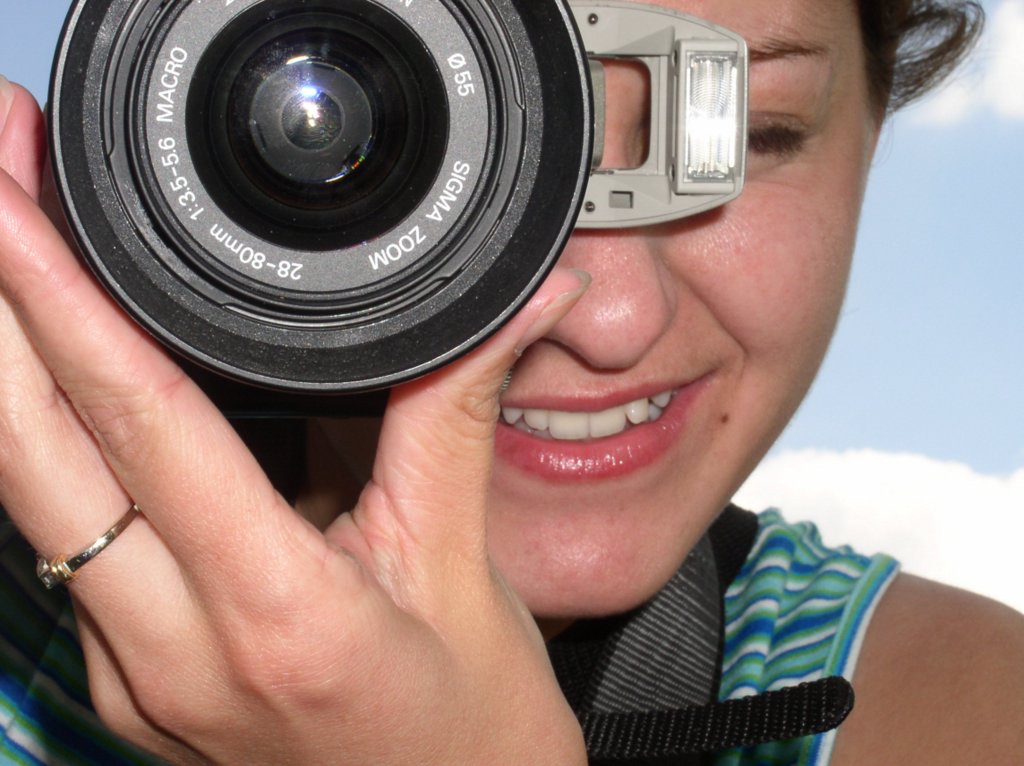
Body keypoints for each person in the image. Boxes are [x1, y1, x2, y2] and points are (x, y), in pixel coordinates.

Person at [1, 0, 1022, 763]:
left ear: (873, 133)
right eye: (428, 134)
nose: (612, 317)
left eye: (748, 130)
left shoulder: (969, 715)